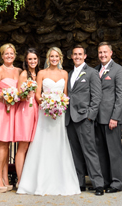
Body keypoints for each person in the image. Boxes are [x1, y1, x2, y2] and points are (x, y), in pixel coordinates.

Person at [17, 47, 80, 196]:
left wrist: (59, 105)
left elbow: (65, 95)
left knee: (58, 144)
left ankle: (60, 181)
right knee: (43, 144)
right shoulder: (41, 73)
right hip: (45, 112)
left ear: (60, 58)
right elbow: (38, 95)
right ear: (47, 58)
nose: (54, 59)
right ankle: (37, 181)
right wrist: (47, 105)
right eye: (51, 56)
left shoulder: (64, 73)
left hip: (59, 114)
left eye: (56, 56)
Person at [65, 45, 104, 195]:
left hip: (84, 118)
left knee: (90, 151)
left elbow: (97, 96)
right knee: (75, 153)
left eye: (80, 54)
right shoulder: (69, 74)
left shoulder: (92, 73)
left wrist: (90, 116)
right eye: (75, 54)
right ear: (72, 56)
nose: (77, 57)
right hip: (70, 119)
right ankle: (79, 182)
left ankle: (98, 184)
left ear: (85, 56)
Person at [0, 43, 21, 192]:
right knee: (2, 144)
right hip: (0, 109)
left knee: (6, 144)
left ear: (15, 55)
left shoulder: (19, 71)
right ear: (2, 56)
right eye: (6, 54)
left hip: (12, 109)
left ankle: (5, 177)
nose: (9, 56)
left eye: (11, 53)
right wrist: (3, 98)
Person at [95, 42, 122, 194]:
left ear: (111, 53)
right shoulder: (95, 70)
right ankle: (105, 180)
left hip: (111, 119)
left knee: (114, 152)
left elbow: (121, 96)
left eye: (105, 52)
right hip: (98, 118)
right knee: (101, 152)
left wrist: (115, 117)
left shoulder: (119, 70)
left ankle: (116, 182)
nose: (102, 55)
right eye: (100, 52)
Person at [14, 49, 41, 184]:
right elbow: (18, 94)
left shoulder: (39, 74)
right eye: (30, 59)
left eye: (34, 59)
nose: (32, 61)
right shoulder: (24, 74)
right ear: (26, 60)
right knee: (23, 146)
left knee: (33, 145)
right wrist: (25, 94)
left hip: (37, 110)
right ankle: (20, 179)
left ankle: (30, 177)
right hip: (25, 110)